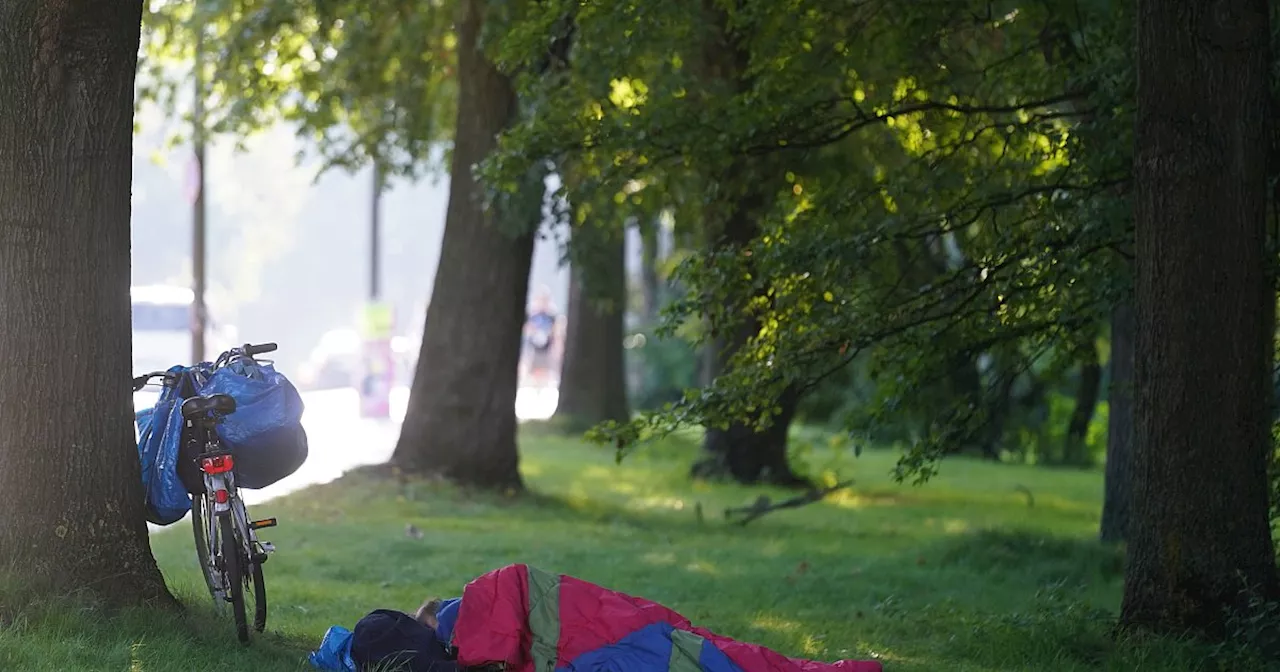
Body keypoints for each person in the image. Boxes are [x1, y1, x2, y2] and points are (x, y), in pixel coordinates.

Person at [519, 287, 563, 389]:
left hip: (547, 351)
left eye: (545, 300)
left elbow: (557, 334)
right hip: (532, 351)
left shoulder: (552, 317)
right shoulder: (531, 316)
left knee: (548, 378)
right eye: (541, 300)